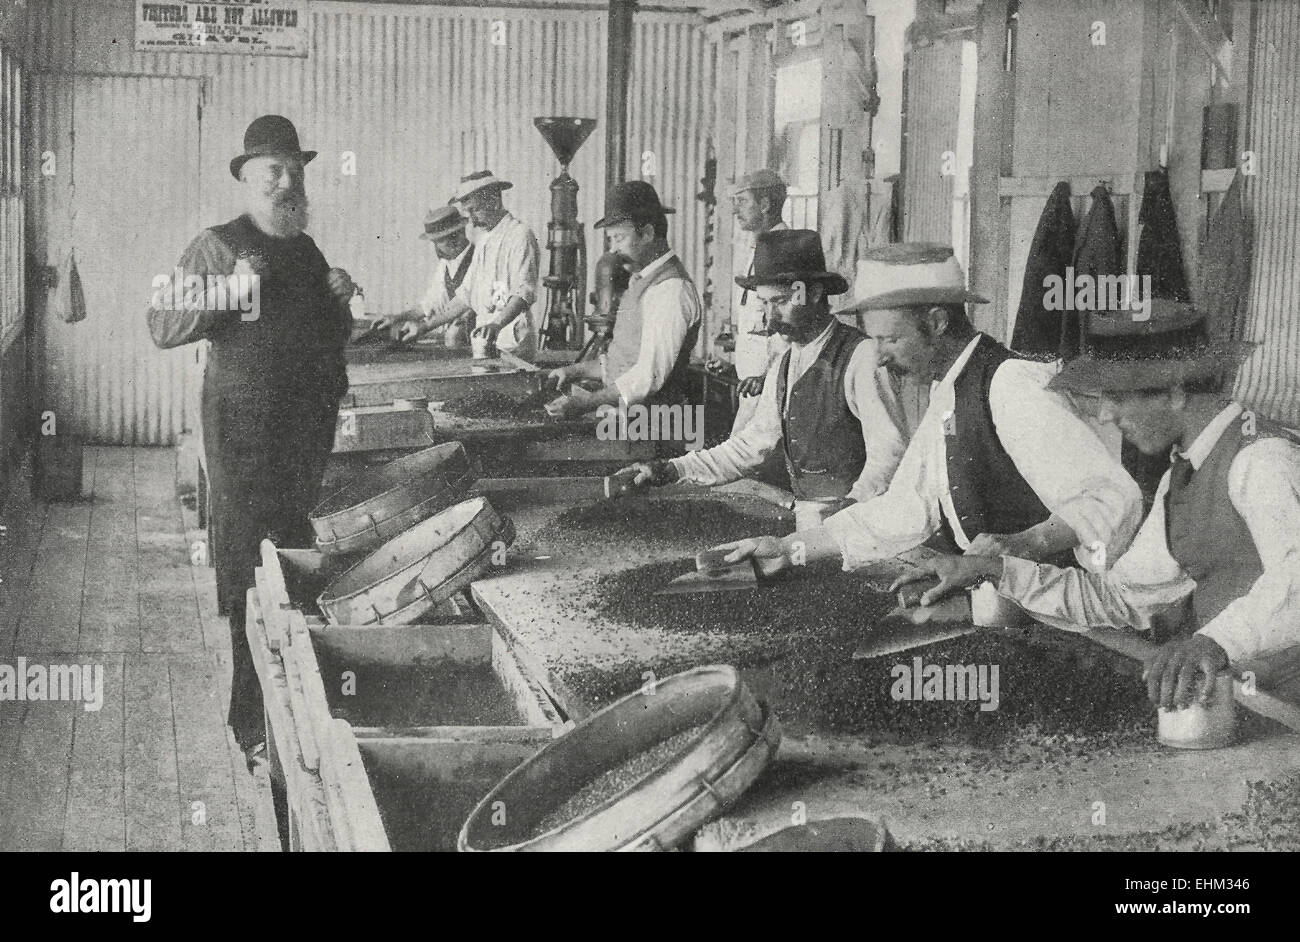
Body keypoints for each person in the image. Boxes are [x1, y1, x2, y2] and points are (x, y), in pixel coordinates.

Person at [896, 302, 1300, 711]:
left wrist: (1214, 642)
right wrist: (994, 570)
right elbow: (1122, 599)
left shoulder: (1261, 459)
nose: (1106, 415)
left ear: (1176, 392)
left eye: (1117, 397)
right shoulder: (1181, 476)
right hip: (1242, 701)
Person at [712, 244, 1142, 583]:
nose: (878, 358)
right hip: (1009, 596)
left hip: (1060, 603)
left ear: (936, 322)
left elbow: (1112, 499)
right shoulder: (949, 391)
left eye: (889, 341)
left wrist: (1028, 542)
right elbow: (906, 507)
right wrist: (789, 549)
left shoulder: (1009, 383)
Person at [146, 115, 355, 763]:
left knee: (293, 559)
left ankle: (293, 712)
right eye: (273, 172)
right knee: (245, 565)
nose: (287, 183)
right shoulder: (216, 244)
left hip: (302, 435)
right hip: (241, 433)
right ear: (246, 178)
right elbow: (163, 323)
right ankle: (249, 721)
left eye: (295, 171)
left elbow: (331, 338)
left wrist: (341, 300)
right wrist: (229, 289)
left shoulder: (308, 250)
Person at [620, 229, 910, 530]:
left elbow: (891, 452)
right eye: (765, 304)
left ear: (813, 293)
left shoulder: (860, 356)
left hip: (861, 525)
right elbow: (750, 445)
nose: (770, 319)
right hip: (811, 521)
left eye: (781, 301)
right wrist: (672, 468)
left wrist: (851, 508)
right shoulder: (785, 363)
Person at [545, 181, 701, 420]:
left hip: (655, 428)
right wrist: (573, 370)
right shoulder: (640, 280)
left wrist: (586, 403)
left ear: (648, 233)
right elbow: (625, 361)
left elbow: (647, 376)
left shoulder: (670, 289)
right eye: (611, 240)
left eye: (619, 238)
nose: (613, 250)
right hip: (629, 418)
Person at [402, 170, 540, 358]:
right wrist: (423, 326)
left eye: (474, 210)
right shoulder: (484, 240)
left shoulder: (519, 235)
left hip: (511, 340)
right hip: (485, 339)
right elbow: (465, 296)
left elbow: (523, 292)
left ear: (494, 201)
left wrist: (497, 324)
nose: (471, 221)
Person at [729, 170, 791, 432]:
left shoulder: (784, 250)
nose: (735, 210)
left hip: (769, 383)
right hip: (753, 383)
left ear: (765, 204)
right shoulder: (759, 247)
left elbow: (787, 325)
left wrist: (767, 377)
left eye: (742, 201)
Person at [377, 205, 474, 345]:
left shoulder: (478, 259)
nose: (437, 247)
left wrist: (424, 327)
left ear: (459, 233)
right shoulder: (445, 265)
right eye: (438, 241)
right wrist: (396, 318)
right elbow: (428, 305)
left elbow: (465, 303)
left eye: (439, 240)